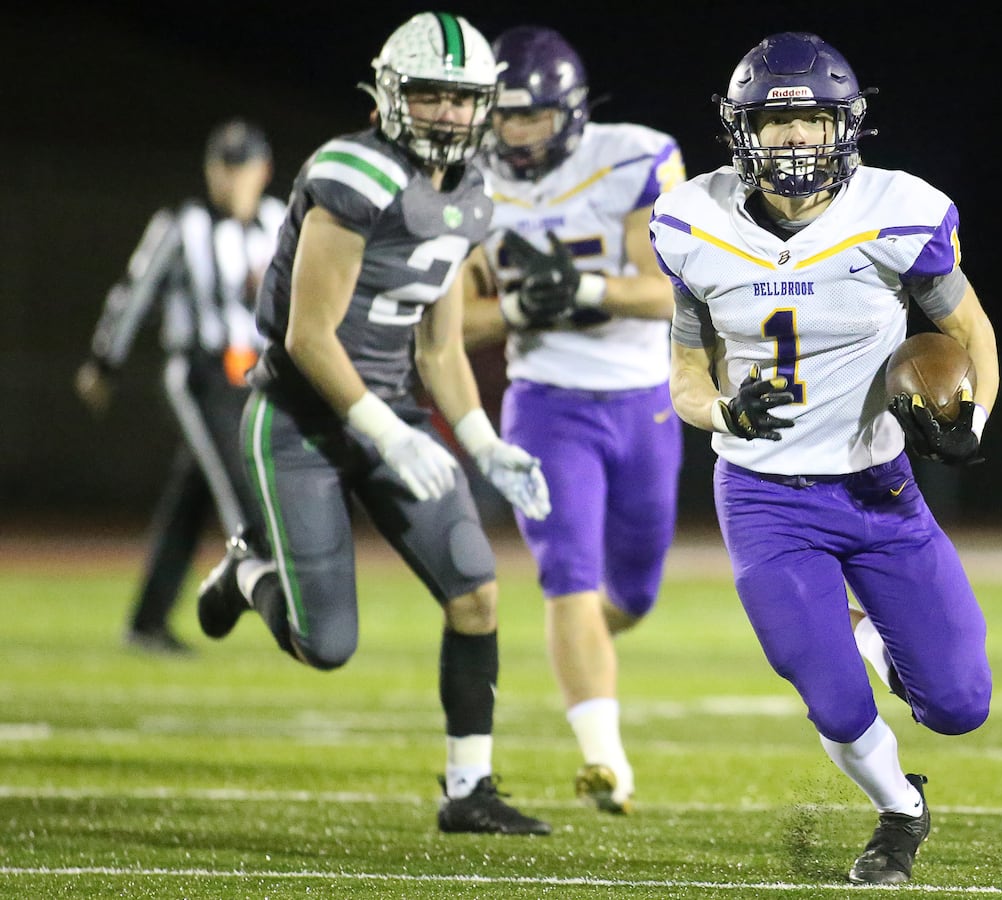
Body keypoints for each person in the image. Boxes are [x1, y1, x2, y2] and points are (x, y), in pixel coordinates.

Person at [193, 11, 555, 836]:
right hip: (301, 421)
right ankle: (248, 569)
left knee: (476, 593)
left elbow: (438, 345)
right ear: (391, 94)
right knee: (327, 646)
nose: (450, 117)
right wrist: (387, 434)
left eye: (465, 101)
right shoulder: (353, 172)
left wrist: (483, 441)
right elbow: (307, 337)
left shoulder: (470, 196)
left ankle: (469, 791)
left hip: (390, 413)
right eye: (430, 96)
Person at [649, 32, 999, 884]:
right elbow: (685, 379)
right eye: (779, 122)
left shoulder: (896, 211)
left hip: (880, 490)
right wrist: (722, 408)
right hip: (765, 498)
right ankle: (898, 811)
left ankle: (865, 638)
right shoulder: (694, 222)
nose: (798, 138)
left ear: (847, 127)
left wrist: (973, 421)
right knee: (835, 701)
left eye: (814, 120)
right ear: (743, 133)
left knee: (958, 706)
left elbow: (971, 332)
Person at [457, 24, 685, 816]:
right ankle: (604, 761)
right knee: (568, 577)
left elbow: (669, 291)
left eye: (534, 116)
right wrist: (520, 306)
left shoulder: (634, 156)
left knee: (632, 591)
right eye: (506, 117)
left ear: (573, 112)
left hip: (644, 400)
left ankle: (576, 649)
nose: (517, 134)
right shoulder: (467, 181)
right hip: (546, 403)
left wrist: (586, 294)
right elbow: (451, 325)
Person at [76, 118, 284, 656]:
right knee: (242, 494)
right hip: (201, 373)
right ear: (211, 171)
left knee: (192, 498)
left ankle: (146, 622)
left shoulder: (278, 220)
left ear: (264, 171)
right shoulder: (182, 225)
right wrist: (105, 360)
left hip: (255, 377)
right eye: (226, 167)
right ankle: (261, 598)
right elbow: (134, 291)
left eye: (244, 167)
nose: (234, 180)